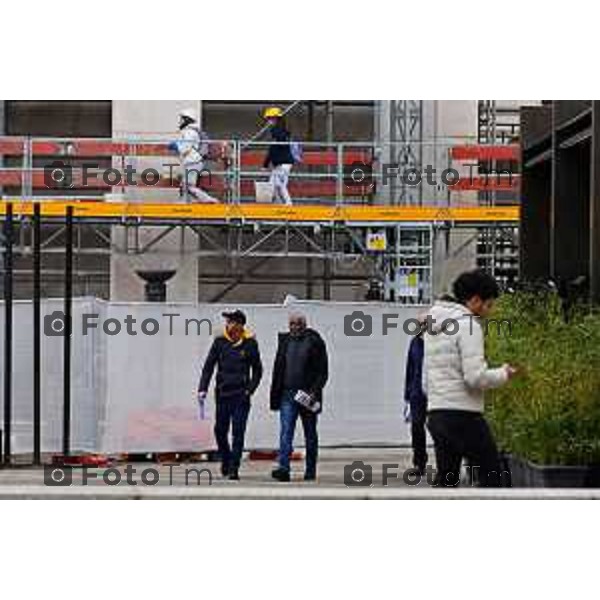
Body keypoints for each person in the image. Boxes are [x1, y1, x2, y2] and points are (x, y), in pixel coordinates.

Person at [424, 270, 519, 487]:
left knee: (447, 482)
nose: (490, 310)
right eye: (488, 304)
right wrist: (503, 373)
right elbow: (475, 377)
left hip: (437, 413)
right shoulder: (468, 325)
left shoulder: (434, 325)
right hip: (463, 415)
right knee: (493, 478)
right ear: (475, 300)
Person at [197, 310, 263, 480]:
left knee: (238, 432)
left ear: (240, 325)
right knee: (220, 431)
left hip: (241, 396)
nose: (228, 325)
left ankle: (234, 467)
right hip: (223, 394)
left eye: (231, 322)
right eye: (227, 322)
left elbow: (257, 370)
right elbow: (208, 366)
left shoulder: (250, 344)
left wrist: (250, 389)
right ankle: (226, 458)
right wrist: (202, 388)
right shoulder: (219, 342)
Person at [270, 312, 328, 482]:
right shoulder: (285, 342)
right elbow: (278, 369)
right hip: (287, 393)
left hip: (307, 395)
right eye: (292, 324)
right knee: (286, 431)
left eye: (297, 324)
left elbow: (323, 372)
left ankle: (310, 470)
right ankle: (284, 468)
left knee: (310, 433)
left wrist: (314, 391)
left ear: (304, 325)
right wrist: (275, 394)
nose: (294, 327)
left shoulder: (314, 342)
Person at [173, 108, 218, 203]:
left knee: (188, 186)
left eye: (182, 119)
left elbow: (185, 148)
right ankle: (184, 202)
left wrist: (175, 145)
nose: (180, 121)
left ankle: (208, 200)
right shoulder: (192, 131)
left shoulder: (189, 132)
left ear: (187, 119)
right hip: (193, 162)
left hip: (192, 162)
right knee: (185, 185)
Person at [403, 313, 428, 475]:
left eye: (423, 323)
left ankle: (445, 465)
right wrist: (407, 394)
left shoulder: (438, 341)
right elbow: (410, 369)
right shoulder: (415, 342)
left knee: (438, 429)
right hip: (416, 393)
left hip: (435, 392)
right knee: (417, 428)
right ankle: (419, 463)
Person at [262, 106, 294, 205]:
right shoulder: (280, 131)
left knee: (281, 185)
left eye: (269, 119)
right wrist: (266, 164)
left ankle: (289, 206)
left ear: (275, 118)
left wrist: (266, 164)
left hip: (283, 164)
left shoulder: (278, 132)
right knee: (273, 185)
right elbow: (273, 149)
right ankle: (278, 206)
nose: (267, 121)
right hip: (279, 164)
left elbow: (273, 149)